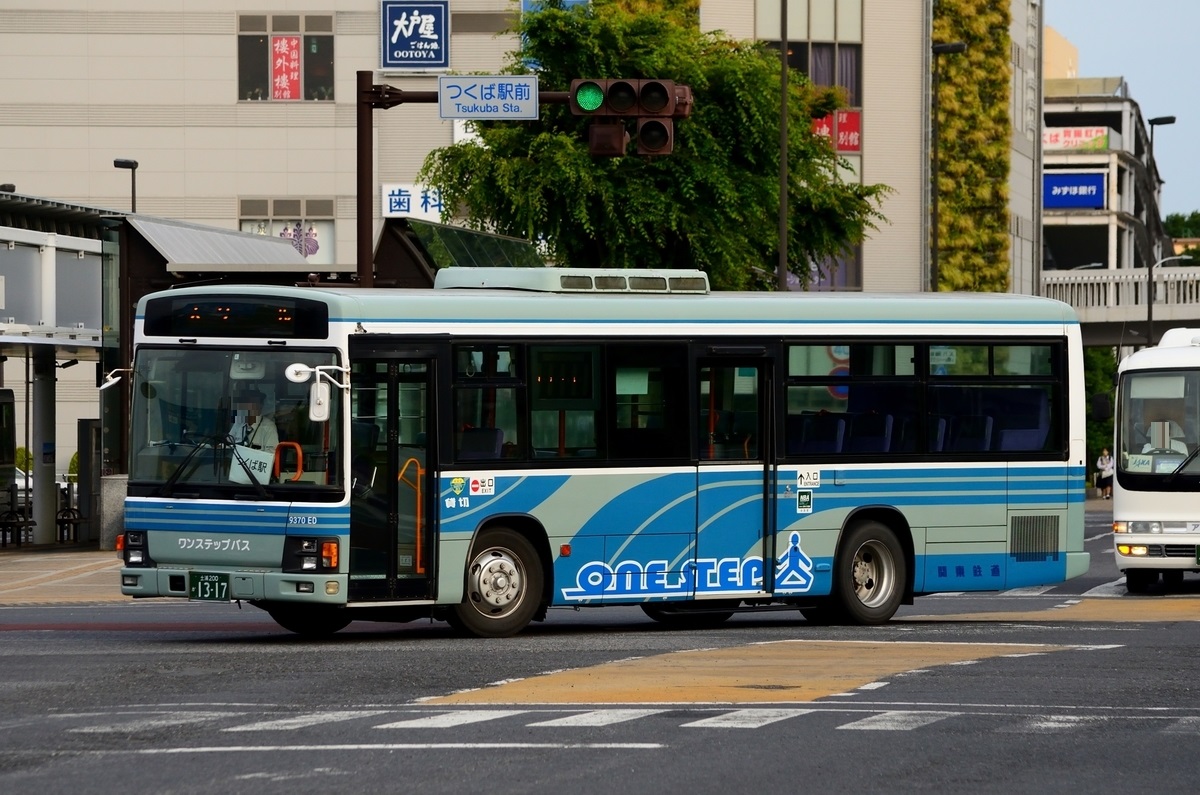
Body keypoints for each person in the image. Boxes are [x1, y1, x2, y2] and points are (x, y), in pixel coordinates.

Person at [230, 389, 278, 455]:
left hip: (254, 464)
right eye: (247, 403)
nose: (249, 406)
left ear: (261, 405)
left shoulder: (269, 427)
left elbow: (271, 454)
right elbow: (228, 443)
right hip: (236, 463)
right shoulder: (238, 424)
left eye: (253, 403)